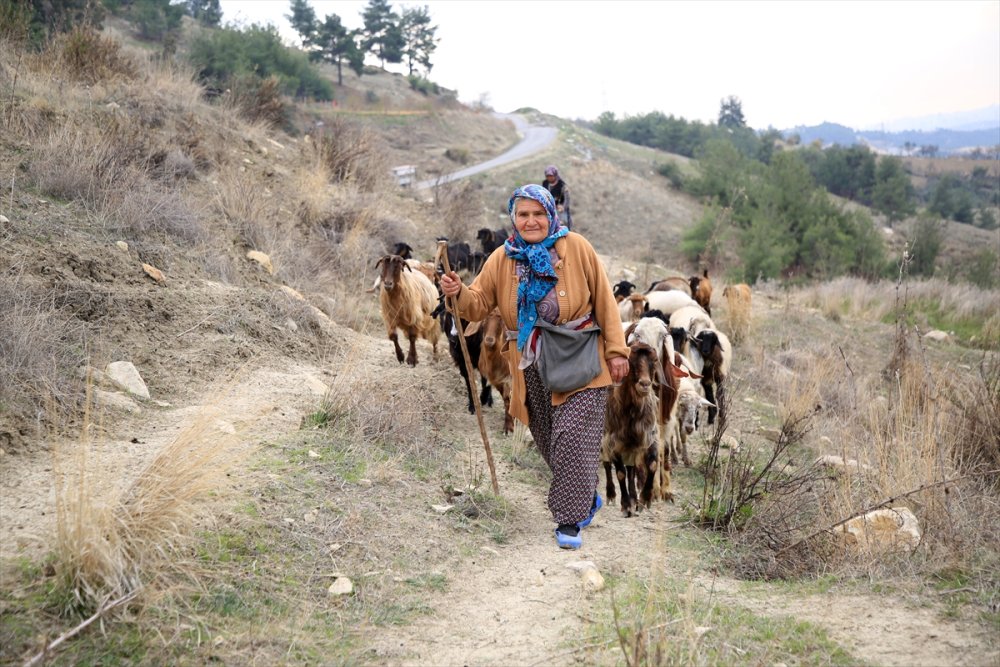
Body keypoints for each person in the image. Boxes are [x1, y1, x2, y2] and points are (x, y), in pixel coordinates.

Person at [440, 184, 628, 550]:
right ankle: (584, 497)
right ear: (514, 219)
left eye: (537, 214)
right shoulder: (502, 257)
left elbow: (605, 298)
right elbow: (477, 305)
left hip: (580, 355)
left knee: (572, 435)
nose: (531, 221)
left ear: (550, 214)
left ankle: (569, 521)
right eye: (523, 215)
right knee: (547, 437)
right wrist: (457, 292)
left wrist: (617, 351)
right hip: (529, 363)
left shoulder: (576, 247)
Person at [542, 165, 572, 230]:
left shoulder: (562, 185)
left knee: (564, 223)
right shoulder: (545, 183)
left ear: (555, 175)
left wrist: (563, 206)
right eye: (548, 176)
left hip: (560, 207)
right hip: (550, 206)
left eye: (551, 176)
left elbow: (567, 198)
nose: (549, 178)